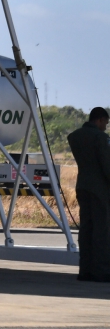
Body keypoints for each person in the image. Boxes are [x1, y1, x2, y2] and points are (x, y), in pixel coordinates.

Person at [68, 106, 110, 282]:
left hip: (82, 186)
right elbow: (106, 165)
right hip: (100, 189)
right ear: (99, 120)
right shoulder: (101, 138)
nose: (105, 127)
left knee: (86, 229)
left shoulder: (75, 136)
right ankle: (100, 271)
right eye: (105, 123)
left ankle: (85, 270)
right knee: (101, 231)